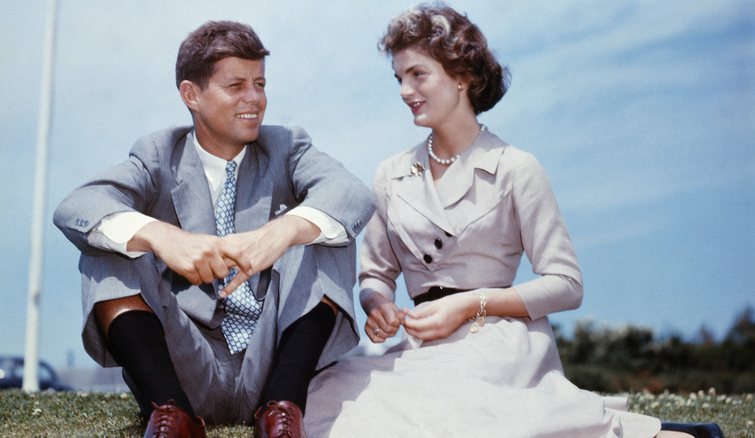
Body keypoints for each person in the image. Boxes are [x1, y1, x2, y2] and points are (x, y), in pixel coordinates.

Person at [303, 4, 724, 438]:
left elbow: (566, 284)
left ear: (462, 76)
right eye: (399, 78)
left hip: (499, 340)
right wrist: (379, 305)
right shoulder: (390, 174)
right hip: (419, 347)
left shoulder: (516, 168)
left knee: (451, 417)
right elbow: (375, 274)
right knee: (325, 402)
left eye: (417, 74)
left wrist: (469, 304)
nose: (404, 90)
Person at [54, 20, 374, 438]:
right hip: (186, 366)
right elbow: (76, 206)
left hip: (275, 365)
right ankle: (171, 418)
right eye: (236, 85)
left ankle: (282, 417)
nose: (255, 99)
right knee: (109, 241)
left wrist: (281, 233)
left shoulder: (287, 146)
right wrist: (162, 236)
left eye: (260, 84)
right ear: (192, 95)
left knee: (317, 225)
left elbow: (351, 193)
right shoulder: (157, 154)